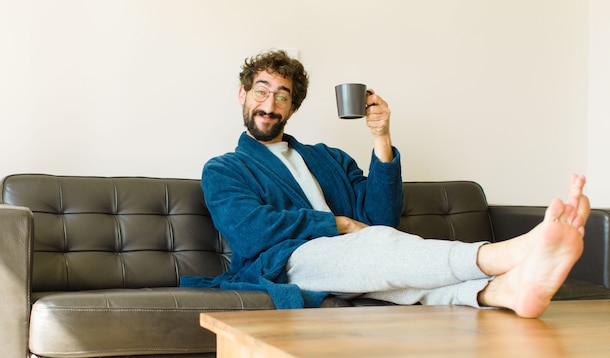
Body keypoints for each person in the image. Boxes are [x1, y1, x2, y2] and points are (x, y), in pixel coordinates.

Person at [185, 49, 590, 318]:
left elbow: (380, 217)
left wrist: (381, 138)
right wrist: (339, 225)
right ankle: (505, 255)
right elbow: (252, 232)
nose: (270, 105)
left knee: (386, 267)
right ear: (243, 93)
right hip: (286, 263)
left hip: (358, 254)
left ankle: (500, 292)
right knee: (375, 248)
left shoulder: (329, 158)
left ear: (294, 106)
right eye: (261, 91)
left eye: (282, 96)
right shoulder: (225, 168)